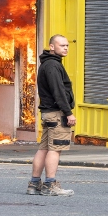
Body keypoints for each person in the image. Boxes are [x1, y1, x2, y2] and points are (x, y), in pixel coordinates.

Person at [28, 34, 76, 197]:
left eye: (67, 45)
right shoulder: (53, 66)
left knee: (44, 148)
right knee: (55, 149)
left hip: (48, 114)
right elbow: (59, 92)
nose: (66, 48)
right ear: (52, 47)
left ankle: (34, 184)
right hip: (56, 114)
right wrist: (68, 113)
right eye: (62, 45)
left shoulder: (47, 64)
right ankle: (50, 184)